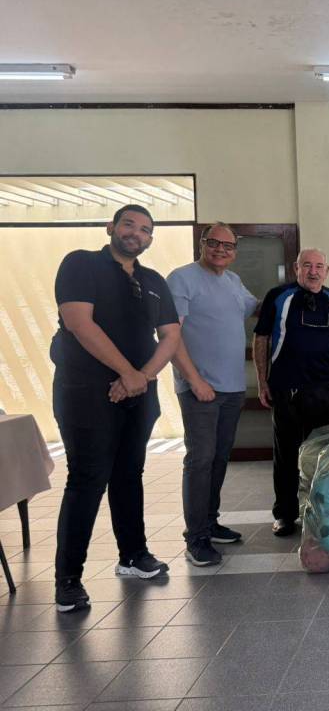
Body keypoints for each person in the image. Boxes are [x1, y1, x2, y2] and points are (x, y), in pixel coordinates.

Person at [50, 204, 181, 612]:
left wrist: (141, 377)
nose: (135, 233)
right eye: (129, 224)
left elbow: (171, 335)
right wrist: (129, 373)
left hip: (138, 394)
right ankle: (68, 579)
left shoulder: (153, 280)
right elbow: (79, 323)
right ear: (111, 227)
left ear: (150, 239)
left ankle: (133, 555)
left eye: (145, 230)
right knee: (87, 478)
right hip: (86, 392)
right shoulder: (81, 264)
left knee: (129, 474)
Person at [168, 222, 260, 566]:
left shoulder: (233, 281)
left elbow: (257, 307)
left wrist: (297, 289)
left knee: (219, 458)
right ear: (202, 244)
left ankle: (210, 522)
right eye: (214, 243)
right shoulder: (181, 279)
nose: (221, 250)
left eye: (228, 245)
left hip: (232, 387)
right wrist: (194, 380)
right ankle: (196, 538)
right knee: (200, 460)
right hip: (200, 390)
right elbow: (170, 336)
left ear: (234, 251)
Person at [254, 249, 329, 537]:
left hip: (325, 389)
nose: (313, 271)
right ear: (297, 268)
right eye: (307, 265)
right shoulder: (278, 297)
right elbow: (261, 338)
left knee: (322, 455)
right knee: (286, 453)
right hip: (287, 388)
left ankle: (318, 513)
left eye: (319, 266)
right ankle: (285, 513)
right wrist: (262, 381)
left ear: (327, 271)